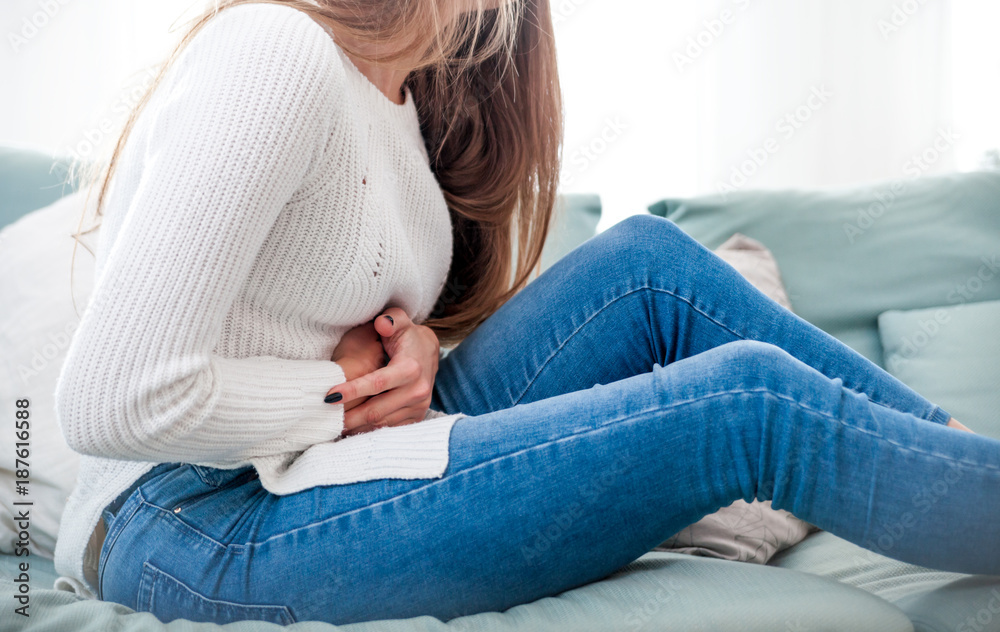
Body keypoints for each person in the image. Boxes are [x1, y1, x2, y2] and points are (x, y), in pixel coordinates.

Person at [53, 0, 997, 626]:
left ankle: (956, 458)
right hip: (184, 520)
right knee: (746, 403)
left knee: (648, 268)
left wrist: (414, 346)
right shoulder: (276, 49)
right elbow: (110, 400)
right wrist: (335, 396)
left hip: (316, 463)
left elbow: (315, 299)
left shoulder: (401, 107)